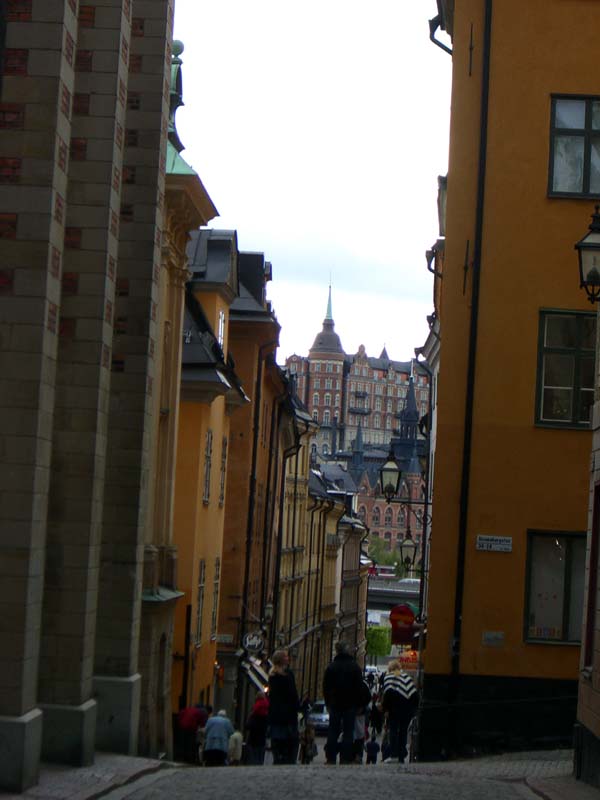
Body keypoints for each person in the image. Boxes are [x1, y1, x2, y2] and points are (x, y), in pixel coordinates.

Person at [322, 640, 365, 764]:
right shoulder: (354, 666)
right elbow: (359, 687)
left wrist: (327, 702)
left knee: (333, 731)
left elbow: (325, 687)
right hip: (350, 704)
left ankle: (330, 758)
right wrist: (359, 704)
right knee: (348, 732)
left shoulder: (331, 667)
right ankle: (345, 758)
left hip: (335, 704)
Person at [380, 660, 418, 764]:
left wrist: (385, 709)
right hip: (406, 711)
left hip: (394, 711)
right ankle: (401, 757)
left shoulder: (388, 678)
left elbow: (387, 695)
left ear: (390, 668)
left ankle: (394, 755)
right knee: (403, 732)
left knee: (393, 732)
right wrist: (413, 710)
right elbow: (414, 696)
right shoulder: (406, 678)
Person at [267, 649, 300, 764]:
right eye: (286, 657)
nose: (288, 658)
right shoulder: (288, 674)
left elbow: (272, 696)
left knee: (276, 738)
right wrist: (297, 707)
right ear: (282, 660)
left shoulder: (272, 675)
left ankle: (278, 757)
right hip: (288, 714)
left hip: (276, 714)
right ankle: (287, 759)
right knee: (289, 739)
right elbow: (292, 694)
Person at [245, 691, 269, 765]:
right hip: (262, 737)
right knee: (260, 755)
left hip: (253, 738)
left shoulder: (255, 709)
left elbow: (248, 725)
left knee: (253, 756)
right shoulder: (267, 707)